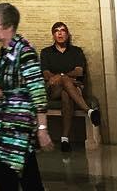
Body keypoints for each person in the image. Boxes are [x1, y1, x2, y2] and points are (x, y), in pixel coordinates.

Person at [0, 2, 51, 191]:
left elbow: (38, 91)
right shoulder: (4, 51)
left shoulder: (25, 52)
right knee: (27, 176)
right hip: (7, 123)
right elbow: (5, 81)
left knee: (5, 174)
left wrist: (42, 129)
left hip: (20, 125)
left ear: (8, 26)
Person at [40, 21, 100, 151]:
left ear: (67, 34)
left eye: (63, 30)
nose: (60, 33)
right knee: (64, 82)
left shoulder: (76, 51)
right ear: (53, 35)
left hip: (73, 89)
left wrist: (61, 76)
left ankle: (65, 139)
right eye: (56, 31)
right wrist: (65, 78)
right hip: (54, 89)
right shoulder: (46, 52)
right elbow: (46, 74)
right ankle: (88, 111)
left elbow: (79, 71)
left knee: (66, 94)